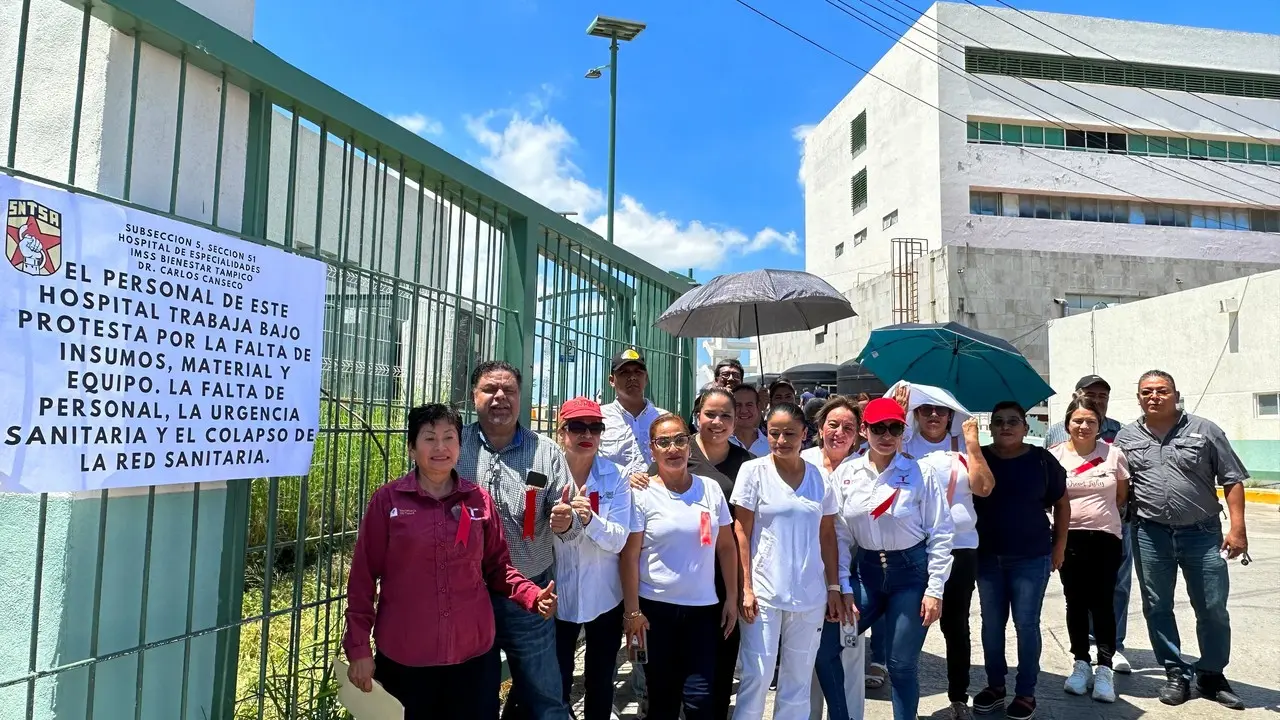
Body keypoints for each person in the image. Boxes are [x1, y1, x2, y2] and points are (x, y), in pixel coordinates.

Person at [343, 404, 558, 719]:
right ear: (412, 447)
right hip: (406, 659)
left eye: (449, 437)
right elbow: (362, 579)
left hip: (472, 658)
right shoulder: (388, 501)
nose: (440, 447)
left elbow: (498, 568)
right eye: (429, 438)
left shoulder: (478, 500)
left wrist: (530, 594)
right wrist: (359, 648)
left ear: (460, 445)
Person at [1115, 370, 1249, 710]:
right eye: (1147, 391)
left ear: (1175, 394)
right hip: (1149, 533)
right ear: (1139, 397)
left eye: (1162, 390)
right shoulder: (1126, 437)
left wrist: (1238, 529)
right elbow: (1115, 483)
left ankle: (1211, 674)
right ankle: (1175, 672)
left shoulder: (1205, 430)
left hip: (1202, 534)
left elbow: (1232, 479)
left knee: (1212, 606)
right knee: (1157, 606)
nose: (1154, 396)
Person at [458, 360, 581, 720]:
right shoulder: (453, 444)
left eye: (509, 390)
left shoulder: (545, 452)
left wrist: (565, 520)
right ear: (474, 396)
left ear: (520, 396)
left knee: (546, 697)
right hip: (468, 594)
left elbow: (570, 521)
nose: (500, 398)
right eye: (490, 390)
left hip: (530, 594)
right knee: (474, 697)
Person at [631, 387, 753, 720]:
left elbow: (727, 544)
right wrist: (632, 611)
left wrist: (733, 595)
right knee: (663, 699)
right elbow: (629, 556)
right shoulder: (643, 490)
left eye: (678, 441)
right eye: (664, 443)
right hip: (657, 608)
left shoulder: (725, 479)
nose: (673, 448)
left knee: (703, 697)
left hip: (706, 604)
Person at [829, 398, 955, 720]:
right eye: (878, 428)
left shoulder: (919, 473)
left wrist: (935, 589)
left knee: (901, 665)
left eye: (895, 428)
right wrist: (842, 585)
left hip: (911, 575)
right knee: (826, 647)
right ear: (864, 430)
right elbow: (839, 535)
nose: (886, 435)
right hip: (867, 572)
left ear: (903, 432)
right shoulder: (846, 473)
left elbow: (940, 531)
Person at [888, 383, 994, 720]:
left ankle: (958, 697)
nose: (933, 416)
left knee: (955, 625)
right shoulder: (903, 443)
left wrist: (974, 444)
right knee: (907, 626)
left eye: (941, 410)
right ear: (915, 414)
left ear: (951, 415)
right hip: (914, 548)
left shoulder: (963, 445)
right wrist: (896, 416)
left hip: (959, 549)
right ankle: (906, 704)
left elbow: (984, 488)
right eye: (925, 410)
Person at [732, 403, 844, 719]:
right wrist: (746, 588)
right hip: (764, 594)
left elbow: (827, 536)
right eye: (774, 433)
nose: (781, 440)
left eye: (790, 433)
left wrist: (833, 587)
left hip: (810, 596)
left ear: (805, 435)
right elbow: (741, 531)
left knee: (797, 682)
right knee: (757, 675)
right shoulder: (752, 472)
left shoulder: (821, 478)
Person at [971, 401, 1070, 720]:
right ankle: (995, 687)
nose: (1005, 426)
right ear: (991, 427)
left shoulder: (1042, 460)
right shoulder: (979, 457)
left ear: (1026, 428)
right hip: (987, 556)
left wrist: (1060, 546)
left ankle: (1026, 692)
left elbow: (1062, 504)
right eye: (998, 421)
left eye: (1013, 421)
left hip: (1031, 556)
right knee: (991, 625)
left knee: (1027, 625)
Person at [1044, 375, 1135, 673]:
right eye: (1078, 421)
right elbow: (1050, 493)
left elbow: (1121, 495)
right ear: (1068, 421)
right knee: (1076, 599)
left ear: (1100, 424)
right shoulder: (1054, 447)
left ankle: (1109, 656)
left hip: (1106, 535)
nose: (1083, 426)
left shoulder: (1115, 446)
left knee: (1107, 596)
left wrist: (1098, 512)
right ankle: (1081, 659)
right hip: (1068, 537)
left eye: (1091, 421)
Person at [552, 397, 634, 719]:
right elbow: (529, 530)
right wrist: (552, 523)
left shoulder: (616, 476)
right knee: (556, 682)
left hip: (604, 598)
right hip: (558, 597)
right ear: (562, 433)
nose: (587, 434)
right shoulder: (546, 472)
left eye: (595, 427)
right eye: (577, 426)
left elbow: (618, 539)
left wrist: (589, 520)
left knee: (600, 682)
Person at [803, 397, 868, 720]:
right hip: (807, 573)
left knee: (850, 650)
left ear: (857, 435)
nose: (839, 432)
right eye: (833, 424)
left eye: (848, 427)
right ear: (819, 428)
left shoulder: (868, 466)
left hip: (853, 574)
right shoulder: (802, 461)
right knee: (808, 654)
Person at [599, 347, 667, 476]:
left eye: (638, 372)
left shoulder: (664, 419)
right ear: (611, 380)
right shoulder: (599, 417)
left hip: (655, 492)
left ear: (646, 378)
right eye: (624, 373)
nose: (632, 377)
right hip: (612, 494)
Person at [732, 383, 770, 456]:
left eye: (749, 405)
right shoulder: (721, 443)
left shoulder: (770, 446)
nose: (743, 410)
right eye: (738, 405)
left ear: (758, 407)